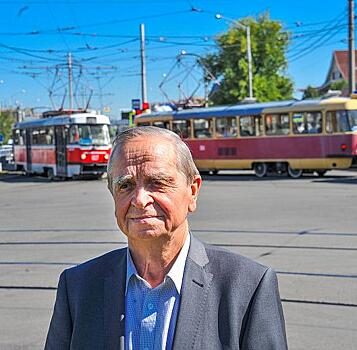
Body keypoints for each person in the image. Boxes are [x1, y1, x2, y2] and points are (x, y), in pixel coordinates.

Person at [45, 126, 288, 350]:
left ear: (192, 191)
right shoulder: (77, 287)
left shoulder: (247, 286)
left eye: (157, 183)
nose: (140, 199)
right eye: (125, 186)